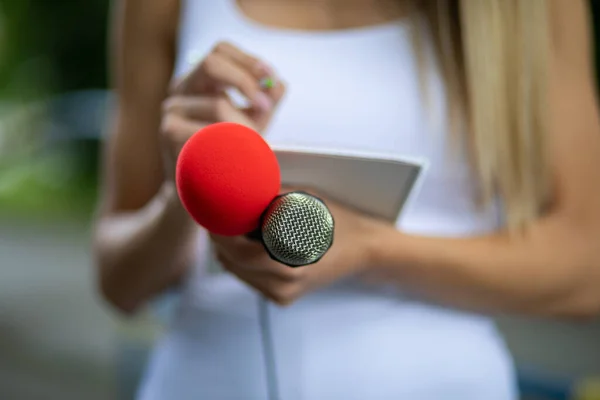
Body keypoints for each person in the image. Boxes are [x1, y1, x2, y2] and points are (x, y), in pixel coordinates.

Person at [93, 0, 600, 399]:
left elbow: (586, 271)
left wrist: (371, 249)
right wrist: (190, 185)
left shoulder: (527, 9)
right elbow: (117, 282)